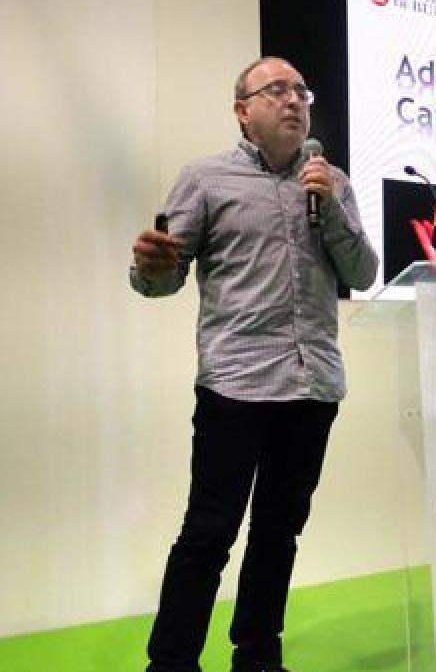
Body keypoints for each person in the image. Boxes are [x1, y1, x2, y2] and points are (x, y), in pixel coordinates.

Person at [130, 56, 378, 672]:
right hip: (235, 386)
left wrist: (331, 208)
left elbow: (363, 271)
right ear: (244, 111)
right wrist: (151, 270)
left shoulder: (332, 182)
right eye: (277, 90)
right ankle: (172, 662)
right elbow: (163, 275)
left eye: (301, 91)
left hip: (312, 385)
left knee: (279, 531)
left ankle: (258, 655)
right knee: (209, 531)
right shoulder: (205, 179)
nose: (294, 100)